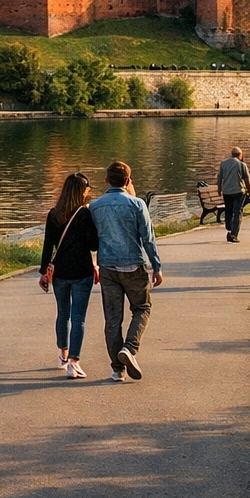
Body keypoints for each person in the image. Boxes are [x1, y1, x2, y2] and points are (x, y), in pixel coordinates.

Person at [91, 160, 163, 382]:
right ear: (129, 180)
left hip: (108, 266)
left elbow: (92, 239)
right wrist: (156, 266)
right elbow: (148, 238)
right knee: (142, 308)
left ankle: (117, 370)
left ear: (106, 180)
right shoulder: (137, 204)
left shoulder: (95, 206)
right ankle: (129, 349)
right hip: (133, 264)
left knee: (112, 319)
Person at [38, 173, 99, 379]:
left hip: (60, 272)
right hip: (82, 271)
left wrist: (43, 272)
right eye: (88, 187)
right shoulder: (84, 214)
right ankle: (74, 361)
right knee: (78, 317)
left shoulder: (53, 214)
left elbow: (48, 246)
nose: (89, 190)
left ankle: (62, 355)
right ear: (81, 191)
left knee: (62, 313)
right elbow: (93, 245)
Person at [217, 147, 250, 243]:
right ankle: (234, 234)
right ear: (240, 154)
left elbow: (220, 178)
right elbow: (246, 178)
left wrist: (219, 189)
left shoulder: (223, 163)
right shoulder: (242, 165)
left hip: (226, 192)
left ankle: (229, 228)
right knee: (237, 212)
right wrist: (249, 189)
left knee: (228, 210)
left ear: (231, 154)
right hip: (238, 191)